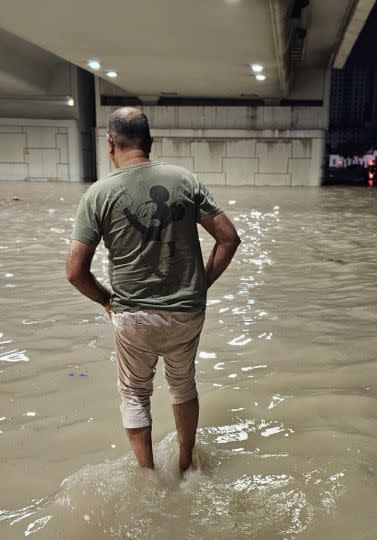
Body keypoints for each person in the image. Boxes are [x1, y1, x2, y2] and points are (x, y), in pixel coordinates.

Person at [67, 107, 241, 473]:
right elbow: (228, 239)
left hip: (132, 315)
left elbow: (74, 272)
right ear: (151, 142)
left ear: (110, 143)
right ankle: (185, 464)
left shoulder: (98, 194)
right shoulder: (185, 180)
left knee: (134, 394)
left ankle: (147, 476)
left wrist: (105, 299)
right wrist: (200, 284)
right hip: (186, 312)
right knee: (183, 385)